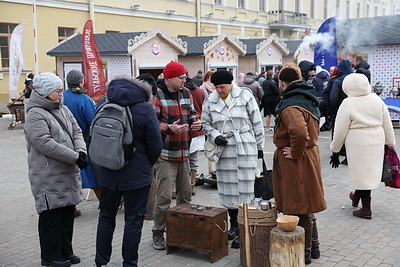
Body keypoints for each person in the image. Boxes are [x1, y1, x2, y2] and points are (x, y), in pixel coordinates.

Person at [95, 75, 162, 267]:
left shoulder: (104, 102)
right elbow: (155, 144)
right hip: (136, 176)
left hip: (107, 172)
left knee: (106, 217)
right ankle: (129, 263)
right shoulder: (144, 107)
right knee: (133, 221)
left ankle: (101, 261)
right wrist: (144, 165)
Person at [25, 72, 88, 267]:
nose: (61, 93)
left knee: (67, 214)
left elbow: (76, 130)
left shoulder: (63, 109)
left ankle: (65, 250)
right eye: (57, 91)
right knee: (51, 216)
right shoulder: (35, 113)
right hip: (48, 175)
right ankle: (50, 256)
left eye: (61, 90)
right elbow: (45, 143)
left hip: (67, 172)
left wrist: (81, 151)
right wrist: (75, 157)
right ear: (44, 92)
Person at [202, 69, 265, 249]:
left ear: (231, 84)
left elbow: (257, 122)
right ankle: (234, 226)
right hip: (224, 151)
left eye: (222, 87)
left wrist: (260, 147)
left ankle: (245, 228)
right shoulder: (211, 100)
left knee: (245, 190)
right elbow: (205, 123)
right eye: (216, 87)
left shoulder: (245, 96)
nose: (219, 90)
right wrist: (214, 135)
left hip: (245, 146)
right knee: (228, 191)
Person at [273, 63, 327, 265]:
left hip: (297, 160)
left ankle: (303, 254)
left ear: (282, 82)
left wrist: (294, 152)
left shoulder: (291, 105)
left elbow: (299, 133)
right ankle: (314, 248)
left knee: (299, 206)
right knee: (307, 204)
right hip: (308, 155)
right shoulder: (307, 96)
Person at [151, 61, 202, 250]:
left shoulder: (186, 93)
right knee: (164, 197)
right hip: (165, 155)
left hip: (185, 154)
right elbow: (151, 122)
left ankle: (184, 230)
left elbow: (193, 116)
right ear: (170, 77)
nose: (184, 80)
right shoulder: (157, 95)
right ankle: (158, 232)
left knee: (186, 196)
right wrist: (168, 129)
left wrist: (197, 124)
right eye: (181, 77)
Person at [330, 73, 395, 220]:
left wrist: (335, 149)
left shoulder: (348, 103)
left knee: (360, 172)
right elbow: (387, 123)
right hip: (376, 138)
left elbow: (340, 129)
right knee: (367, 173)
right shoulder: (376, 99)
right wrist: (390, 143)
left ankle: (366, 209)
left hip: (357, 142)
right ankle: (356, 196)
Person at [63, 70, 100, 217]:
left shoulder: (61, 96)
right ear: (81, 82)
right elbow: (94, 121)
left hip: (63, 142)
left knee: (68, 175)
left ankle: (71, 208)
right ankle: (105, 203)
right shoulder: (84, 99)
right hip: (83, 141)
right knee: (92, 173)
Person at [184, 77, 206, 195]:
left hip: (188, 128)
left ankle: (183, 187)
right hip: (198, 126)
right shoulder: (198, 90)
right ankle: (192, 187)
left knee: (184, 161)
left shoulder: (183, 91)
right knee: (194, 159)